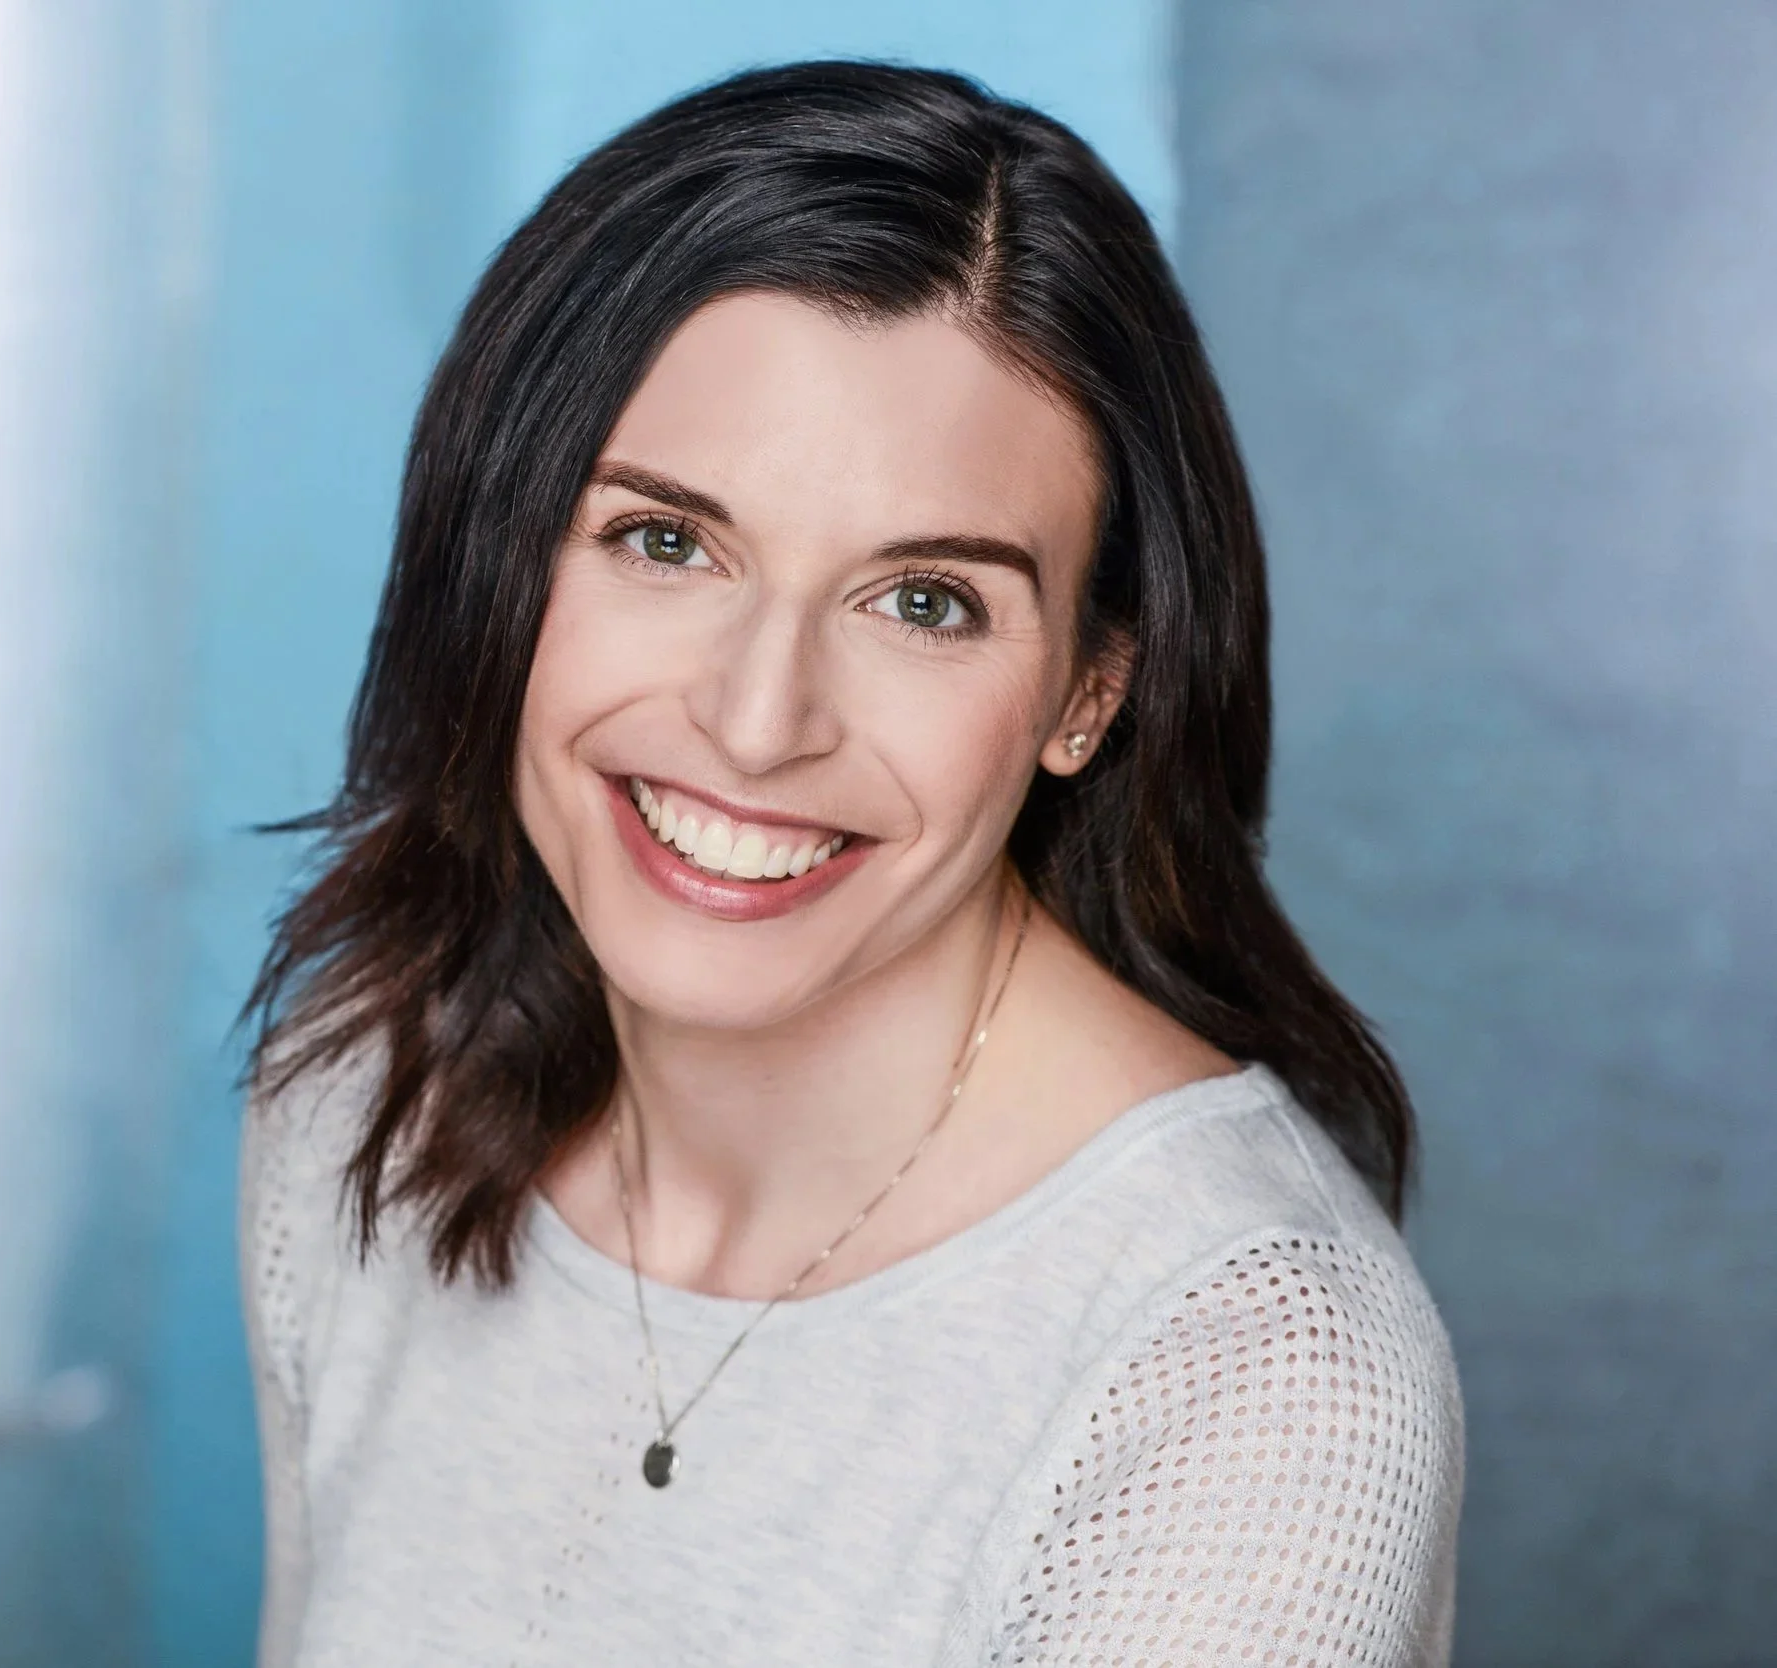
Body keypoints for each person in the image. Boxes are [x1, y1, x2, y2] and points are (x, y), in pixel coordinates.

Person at [238, 61, 1463, 1668]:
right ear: (500, 554)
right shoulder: (361, 1097)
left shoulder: (1249, 1369)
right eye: (664, 542)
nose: (757, 724)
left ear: (1088, 693)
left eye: (926, 601)